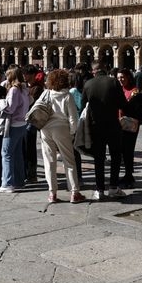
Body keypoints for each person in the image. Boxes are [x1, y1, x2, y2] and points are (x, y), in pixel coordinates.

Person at [39, 69, 86, 204]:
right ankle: (74, 193)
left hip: (45, 129)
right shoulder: (67, 96)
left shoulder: (46, 93)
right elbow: (73, 119)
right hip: (62, 129)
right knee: (69, 161)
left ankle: (52, 193)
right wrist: (72, 133)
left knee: (49, 162)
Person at [83, 67, 127, 200]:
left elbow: (83, 104)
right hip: (113, 125)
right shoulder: (113, 82)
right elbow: (123, 103)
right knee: (115, 156)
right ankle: (113, 187)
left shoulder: (88, 84)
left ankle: (99, 190)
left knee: (99, 158)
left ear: (93, 71)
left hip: (96, 126)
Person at [0, 67, 30, 193]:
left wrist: (0, 103)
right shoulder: (24, 89)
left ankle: (8, 183)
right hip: (22, 124)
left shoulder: (14, 90)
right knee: (17, 154)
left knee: (6, 154)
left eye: (7, 76)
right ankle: (19, 181)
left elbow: (10, 108)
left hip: (13, 124)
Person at [117, 68, 142, 189]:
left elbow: (133, 109)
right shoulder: (118, 90)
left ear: (128, 77)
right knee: (121, 151)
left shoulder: (135, 92)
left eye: (122, 77)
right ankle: (126, 174)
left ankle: (129, 174)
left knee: (128, 150)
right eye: (118, 78)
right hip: (118, 124)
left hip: (130, 125)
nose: (120, 80)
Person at [23, 65, 44, 184]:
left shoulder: (37, 88)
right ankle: (27, 172)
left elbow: (30, 104)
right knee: (25, 148)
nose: (24, 76)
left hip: (31, 122)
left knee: (29, 148)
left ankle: (31, 174)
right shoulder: (28, 86)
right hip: (24, 120)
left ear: (31, 75)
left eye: (26, 74)